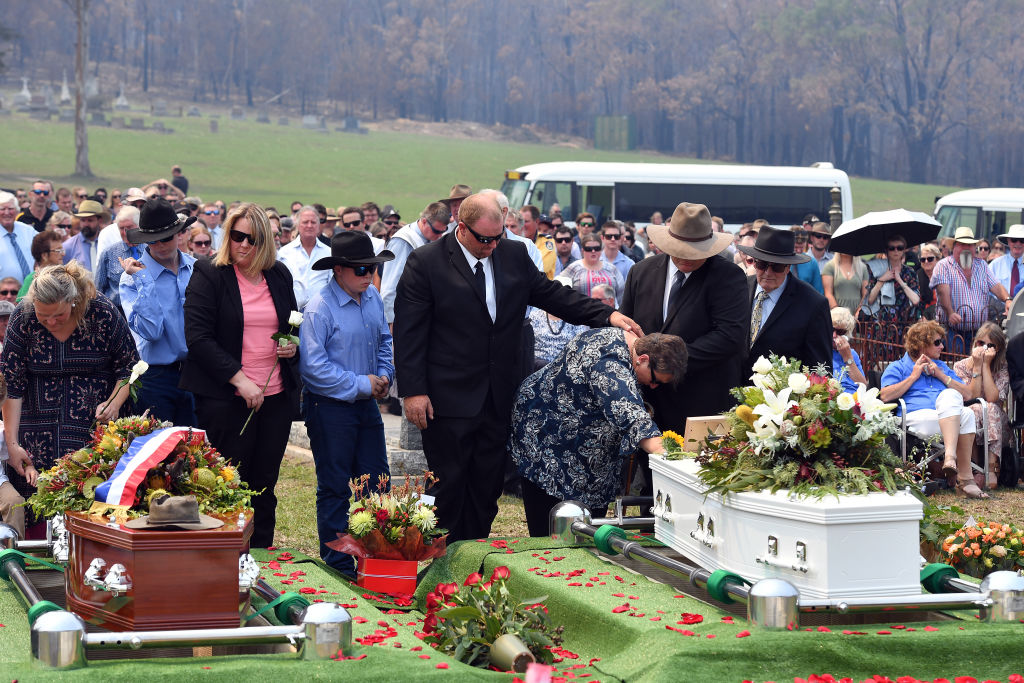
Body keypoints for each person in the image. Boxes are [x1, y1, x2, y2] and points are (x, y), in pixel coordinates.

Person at [393, 193, 643, 543]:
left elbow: (552, 295)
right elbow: (409, 332)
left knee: (486, 487)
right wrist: (413, 391)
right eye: (484, 239)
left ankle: (473, 555)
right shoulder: (427, 262)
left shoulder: (511, 255)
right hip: (446, 397)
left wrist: (607, 315)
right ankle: (440, 563)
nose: (492, 246)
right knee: (448, 486)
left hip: (499, 395)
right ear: (461, 228)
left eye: (498, 238)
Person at [181, 203, 300, 548]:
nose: (244, 245)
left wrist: (291, 346)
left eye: (253, 238)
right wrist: (240, 379)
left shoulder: (279, 274)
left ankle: (262, 558)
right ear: (227, 236)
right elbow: (198, 338)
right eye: (237, 236)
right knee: (228, 482)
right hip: (226, 398)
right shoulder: (209, 274)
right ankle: (222, 556)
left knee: (264, 482)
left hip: (275, 395)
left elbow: (290, 326)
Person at [511, 329, 686, 536]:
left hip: (579, 443)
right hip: (546, 438)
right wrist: (675, 456)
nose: (653, 386)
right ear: (643, 358)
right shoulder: (609, 364)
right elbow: (632, 418)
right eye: (655, 379)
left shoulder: (628, 340)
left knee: (587, 529)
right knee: (551, 531)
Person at [1, 263, 139, 522]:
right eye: (44, 316)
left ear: (74, 301)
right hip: (35, 432)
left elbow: (129, 369)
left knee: (91, 498)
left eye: (59, 315)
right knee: (36, 501)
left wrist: (114, 403)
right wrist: (12, 445)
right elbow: (12, 383)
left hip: (93, 429)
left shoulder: (102, 311)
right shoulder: (23, 316)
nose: (51, 322)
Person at [298, 232, 394, 577]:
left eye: (371, 268)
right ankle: (338, 561)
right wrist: (362, 383)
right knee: (335, 484)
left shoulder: (371, 299)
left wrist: (384, 374)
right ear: (339, 270)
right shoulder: (319, 307)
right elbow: (313, 368)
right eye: (360, 269)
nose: (368, 274)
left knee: (378, 482)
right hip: (330, 407)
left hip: (365, 402)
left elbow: (384, 340)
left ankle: (377, 553)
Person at [619, 202, 748, 434]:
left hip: (701, 404)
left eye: (695, 252)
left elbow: (730, 336)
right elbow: (627, 327)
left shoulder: (729, 277)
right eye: (680, 249)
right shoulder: (641, 272)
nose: (686, 258)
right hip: (647, 405)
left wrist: (667, 363)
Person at [880, 319, 984, 499]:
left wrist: (941, 376)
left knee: (962, 408)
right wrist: (913, 376)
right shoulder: (897, 367)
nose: (942, 346)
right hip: (916, 420)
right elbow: (885, 396)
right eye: (937, 342)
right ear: (921, 345)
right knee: (961, 410)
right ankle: (964, 477)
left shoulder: (941, 367)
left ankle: (953, 462)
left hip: (944, 417)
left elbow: (968, 395)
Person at [119, 198, 199, 426]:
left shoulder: (197, 268)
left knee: (198, 451)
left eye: (166, 238)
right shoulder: (131, 278)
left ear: (179, 234)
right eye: (152, 240)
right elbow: (151, 331)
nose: (161, 245)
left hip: (196, 373)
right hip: (155, 377)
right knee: (158, 453)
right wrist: (144, 280)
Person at [741, 225, 832, 376]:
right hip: (731, 393)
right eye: (762, 264)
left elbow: (820, 370)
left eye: (776, 267)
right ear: (754, 262)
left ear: (788, 266)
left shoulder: (813, 304)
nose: (768, 273)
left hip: (781, 396)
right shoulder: (739, 289)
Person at [931, 227, 1010, 348]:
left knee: (977, 363)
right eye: (962, 244)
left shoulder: (982, 265)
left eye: (970, 245)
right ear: (954, 247)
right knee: (956, 363)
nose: (966, 248)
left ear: (974, 248)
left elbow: (996, 286)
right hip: (951, 330)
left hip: (978, 332)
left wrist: (1007, 299)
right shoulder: (943, 265)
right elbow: (942, 292)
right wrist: (950, 312)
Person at [952, 321, 1009, 489]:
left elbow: (992, 398)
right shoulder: (960, 366)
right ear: (974, 343)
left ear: (997, 348)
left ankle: (991, 467)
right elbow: (973, 396)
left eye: (990, 345)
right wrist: (977, 365)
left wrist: (985, 365)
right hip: (971, 418)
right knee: (976, 408)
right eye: (981, 343)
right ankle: (976, 468)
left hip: (996, 423)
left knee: (989, 407)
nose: (984, 348)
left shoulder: (1002, 368)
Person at [379, 202, 450, 328]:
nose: (440, 236)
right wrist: (391, 322)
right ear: (423, 221)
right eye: (436, 231)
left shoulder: (431, 238)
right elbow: (390, 286)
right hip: (403, 318)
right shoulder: (403, 241)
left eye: (443, 231)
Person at [529, 276, 590, 369]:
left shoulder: (577, 320)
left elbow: (580, 348)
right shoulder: (534, 317)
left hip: (565, 369)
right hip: (536, 367)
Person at [277, 205, 332, 309]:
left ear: (319, 225)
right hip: (292, 313)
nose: (309, 225)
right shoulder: (284, 253)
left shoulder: (328, 253)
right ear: (297, 225)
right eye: (305, 222)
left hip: (322, 312)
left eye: (313, 222)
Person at [866, 233, 923, 325]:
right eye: (892, 248)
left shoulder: (909, 272)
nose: (896, 251)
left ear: (904, 250)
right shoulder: (876, 270)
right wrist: (882, 280)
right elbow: (870, 300)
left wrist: (900, 280)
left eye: (899, 248)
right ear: (886, 251)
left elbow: (916, 300)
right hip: (880, 324)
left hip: (903, 323)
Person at [93, 206, 142, 308]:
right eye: (121, 228)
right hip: (117, 312)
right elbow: (98, 290)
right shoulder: (109, 253)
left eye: (129, 227)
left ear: (139, 226)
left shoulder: (151, 250)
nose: (125, 232)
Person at [561, 234, 624, 303]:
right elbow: (561, 290)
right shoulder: (573, 268)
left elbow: (620, 294)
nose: (593, 251)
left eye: (596, 248)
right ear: (582, 250)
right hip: (582, 311)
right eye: (589, 249)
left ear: (601, 250)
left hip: (608, 312)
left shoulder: (611, 269)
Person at [0, 375, 26, 539]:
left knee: (15, 502)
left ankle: (15, 556)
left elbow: (13, 455)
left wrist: (28, 467)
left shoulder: (2, 431)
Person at [0, 192, 35, 284]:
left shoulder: (28, 231)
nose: (7, 213)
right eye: (2, 209)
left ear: (17, 211)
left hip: (31, 292)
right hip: (5, 294)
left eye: (10, 208)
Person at [17, 231, 64, 301]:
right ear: (44, 255)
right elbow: (22, 308)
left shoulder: (65, 276)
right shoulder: (31, 279)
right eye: (58, 250)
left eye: (62, 250)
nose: (63, 254)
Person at [830, 307, 867, 393]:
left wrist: (847, 357)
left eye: (840, 332)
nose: (834, 335)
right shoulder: (821, 351)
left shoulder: (852, 353)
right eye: (831, 329)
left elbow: (863, 386)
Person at [63, 200, 105, 271]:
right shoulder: (68, 246)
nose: (85, 224)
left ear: (100, 220)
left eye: (90, 220)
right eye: (83, 220)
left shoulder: (107, 243)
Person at [988, 224, 1024, 299]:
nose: (1018, 243)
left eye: (1022, 240)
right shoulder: (995, 265)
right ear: (1008, 241)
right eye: (1014, 240)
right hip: (999, 309)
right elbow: (987, 292)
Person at [916, 243, 942, 319]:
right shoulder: (917, 276)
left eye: (930, 259)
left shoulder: (944, 275)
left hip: (941, 317)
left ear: (937, 259)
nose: (926, 262)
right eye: (923, 259)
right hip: (922, 318)